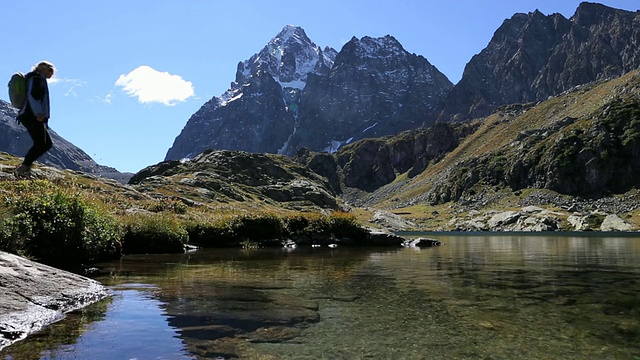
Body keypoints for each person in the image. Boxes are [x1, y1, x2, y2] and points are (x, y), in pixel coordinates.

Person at [14, 61, 55, 178]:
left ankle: (25, 166)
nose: (51, 74)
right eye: (50, 71)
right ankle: (23, 167)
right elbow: (33, 96)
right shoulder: (36, 79)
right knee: (43, 143)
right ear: (43, 69)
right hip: (32, 116)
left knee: (44, 143)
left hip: (31, 116)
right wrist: (38, 113)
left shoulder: (36, 79)